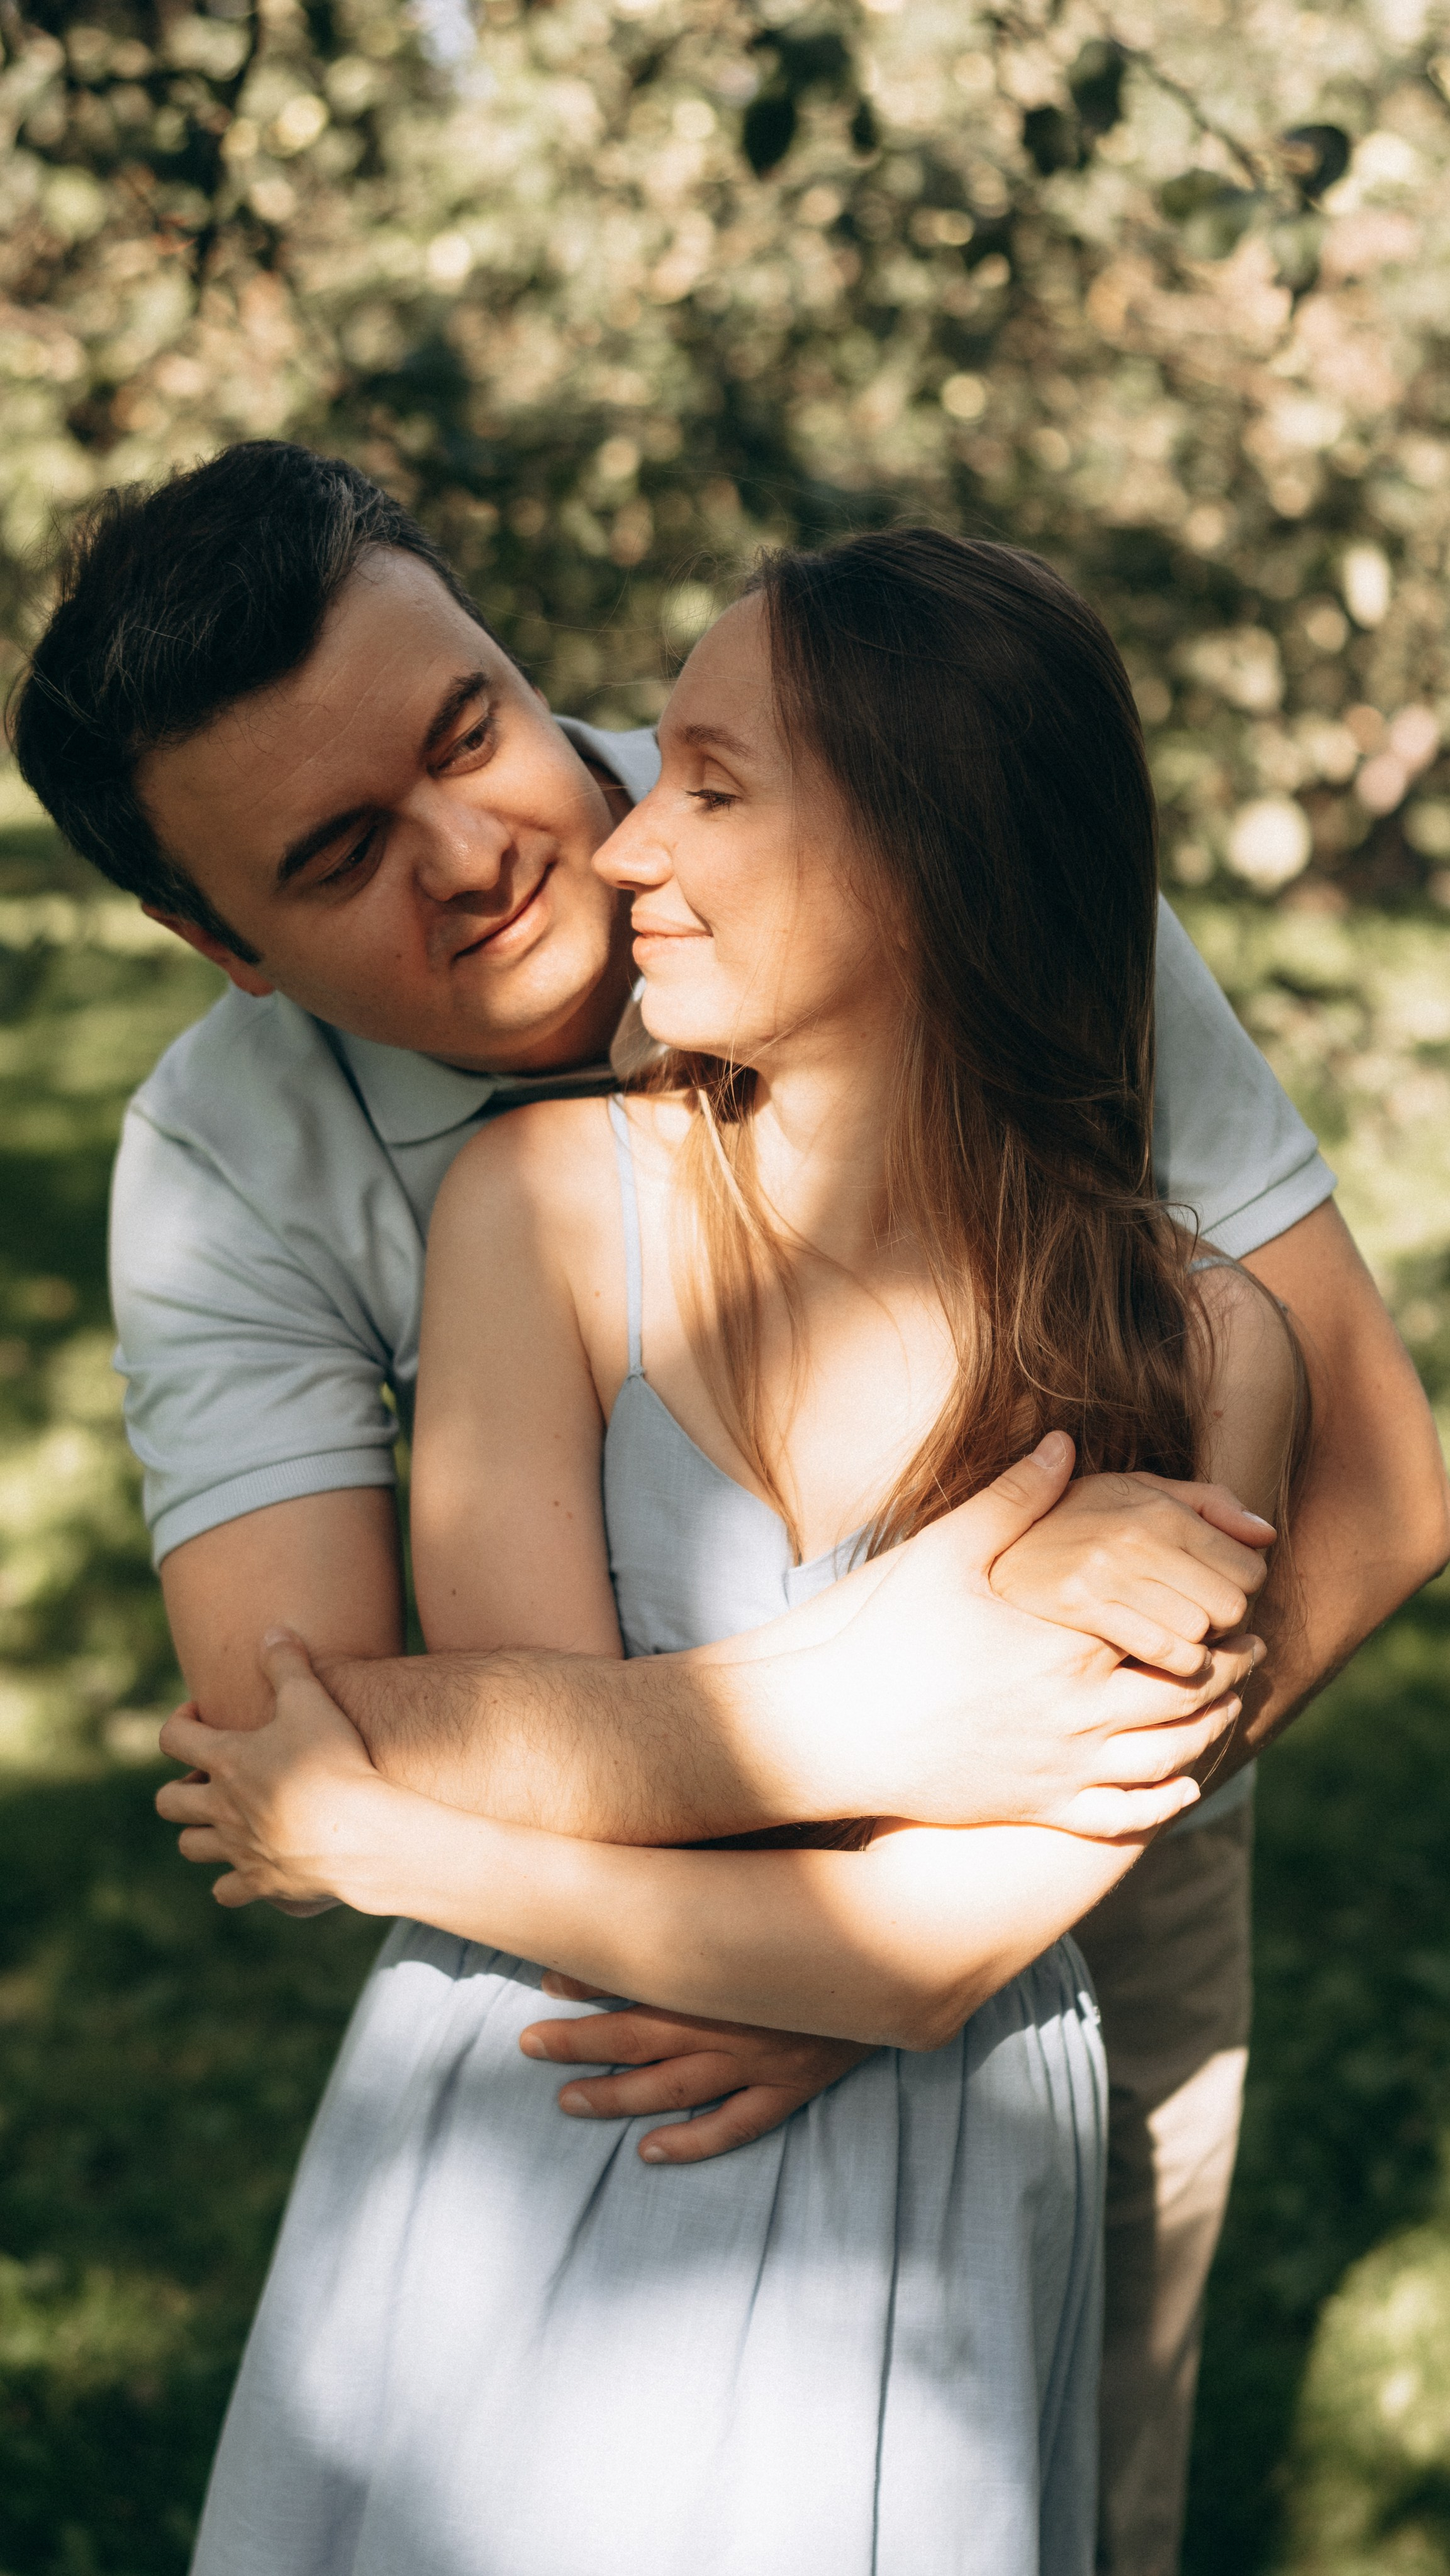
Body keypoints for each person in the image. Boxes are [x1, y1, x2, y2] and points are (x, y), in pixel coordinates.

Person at [10, 444, 1446, 2574]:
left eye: (471, 729)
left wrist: (960, 1899)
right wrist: (867, 1705)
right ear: (216, 941)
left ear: (499, 653)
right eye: (334, 855)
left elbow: (1375, 1485)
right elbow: (306, 1731)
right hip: (586, 2008)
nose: (497, 853)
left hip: (1089, 1884)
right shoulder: (250, 1163)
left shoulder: (917, 817)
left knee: (1059, 2472)